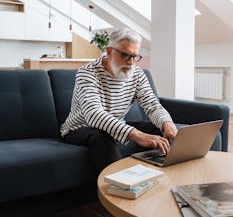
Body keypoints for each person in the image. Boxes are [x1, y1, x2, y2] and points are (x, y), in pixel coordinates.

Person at [60, 28, 177, 176]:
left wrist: (168, 124)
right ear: (109, 51)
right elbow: (93, 115)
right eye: (125, 55)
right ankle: (120, 186)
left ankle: (167, 176)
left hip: (114, 126)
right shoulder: (88, 73)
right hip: (80, 129)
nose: (130, 62)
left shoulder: (137, 74)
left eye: (135, 56)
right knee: (101, 135)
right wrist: (137, 135)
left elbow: (152, 105)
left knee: (159, 129)